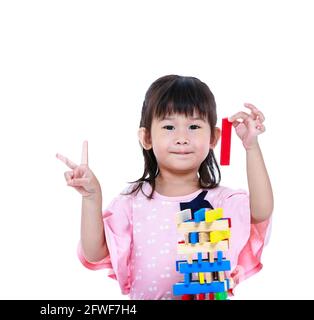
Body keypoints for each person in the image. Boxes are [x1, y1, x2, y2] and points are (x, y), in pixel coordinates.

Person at [56, 74, 273, 300]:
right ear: (147, 137)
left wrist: (251, 147)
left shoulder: (221, 200)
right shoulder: (132, 200)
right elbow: (94, 252)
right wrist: (92, 197)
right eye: (169, 126)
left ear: (213, 138)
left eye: (194, 126)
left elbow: (261, 211)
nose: (182, 137)